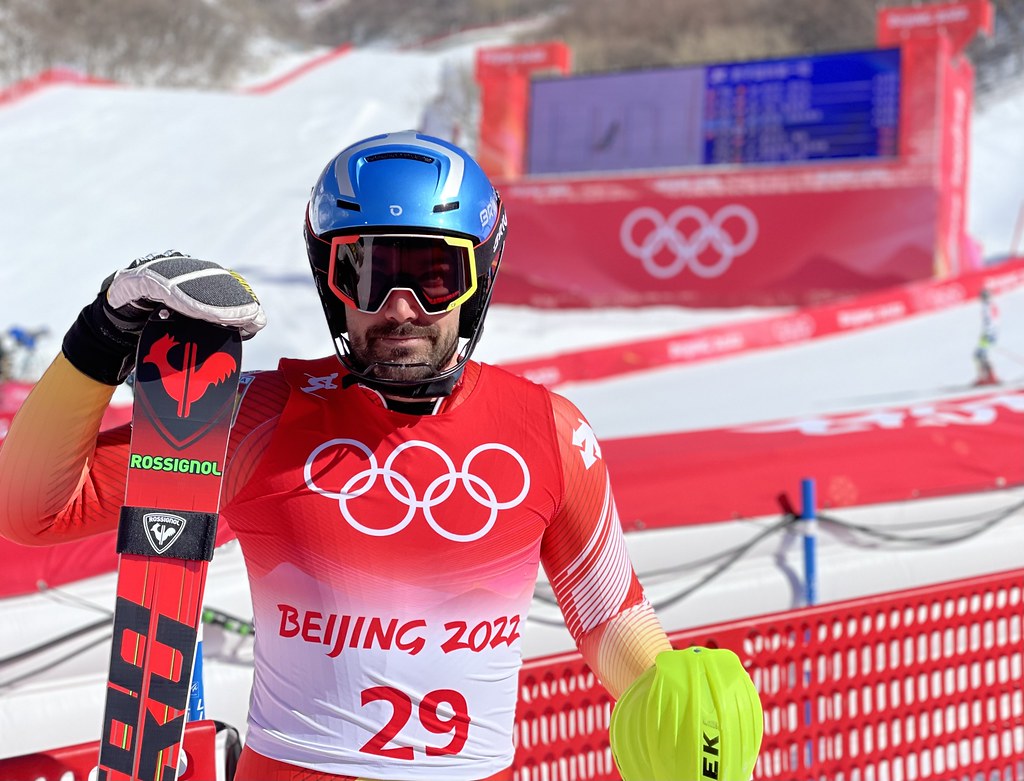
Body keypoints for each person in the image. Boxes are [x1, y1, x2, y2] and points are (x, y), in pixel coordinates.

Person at [0, 131, 761, 780]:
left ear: (478, 282)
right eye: (367, 271)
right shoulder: (253, 417)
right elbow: (31, 511)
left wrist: (678, 694)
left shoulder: (548, 432)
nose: (401, 307)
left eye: (434, 275)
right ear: (334, 288)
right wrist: (100, 339)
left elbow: (610, 616)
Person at [974, 287, 999, 386]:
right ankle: (988, 376)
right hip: (991, 333)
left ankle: (987, 377)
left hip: (988, 334)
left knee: (979, 355)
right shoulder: (991, 305)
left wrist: (987, 334)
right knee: (980, 355)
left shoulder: (986, 306)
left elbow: (989, 321)